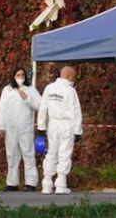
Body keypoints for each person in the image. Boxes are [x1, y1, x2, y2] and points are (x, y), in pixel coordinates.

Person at [37, 65, 83, 195]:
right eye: (73, 77)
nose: (73, 79)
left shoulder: (49, 88)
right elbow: (76, 112)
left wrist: (41, 127)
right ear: (69, 76)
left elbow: (43, 108)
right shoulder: (70, 91)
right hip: (66, 125)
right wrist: (77, 131)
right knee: (64, 153)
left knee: (51, 152)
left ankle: (47, 183)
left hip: (52, 124)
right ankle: (61, 183)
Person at [0, 66, 42, 192]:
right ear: (13, 76)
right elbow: (2, 109)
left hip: (25, 126)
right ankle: (12, 182)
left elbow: (39, 105)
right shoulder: (7, 90)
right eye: (18, 75)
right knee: (11, 155)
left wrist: (27, 98)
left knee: (28, 153)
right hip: (10, 127)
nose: (20, 77)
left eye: (22, 75)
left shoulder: (30, 89)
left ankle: (30, 183)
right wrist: (1, 127)